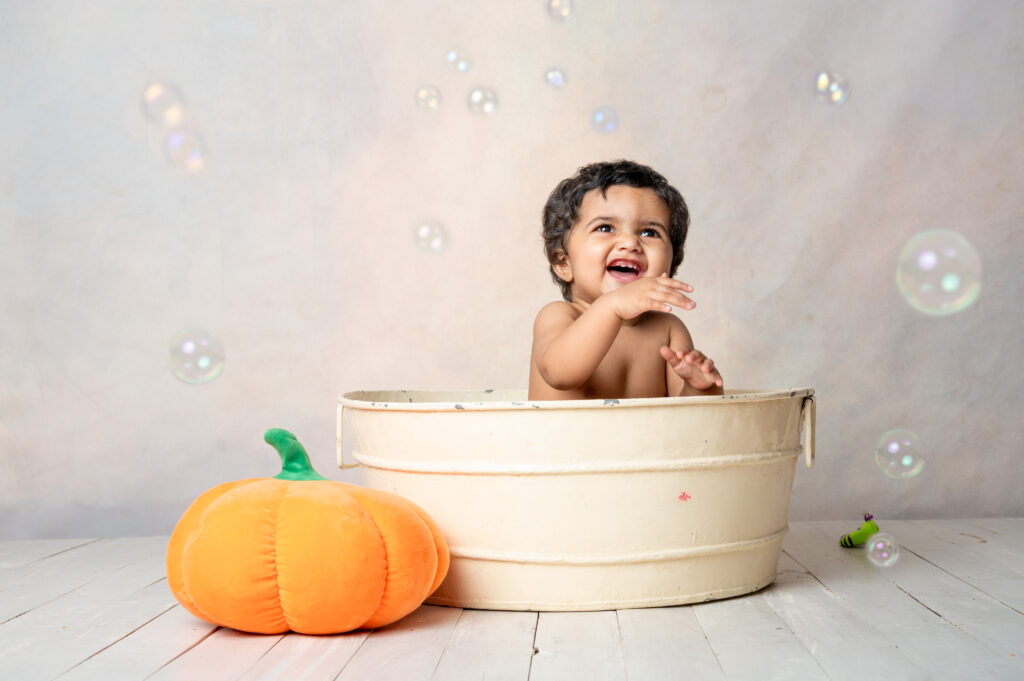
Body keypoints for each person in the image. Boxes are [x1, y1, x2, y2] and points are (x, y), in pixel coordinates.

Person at [528, 160, 724, 400]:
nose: (631, 243)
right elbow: (559, 373)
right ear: (563, 263)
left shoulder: (668, 330)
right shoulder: (559, 316)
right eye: (605, 228)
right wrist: (613, 305)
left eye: (650, 232)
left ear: (671, 263)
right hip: (566, 429)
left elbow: (687, 415)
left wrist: (700, 387)